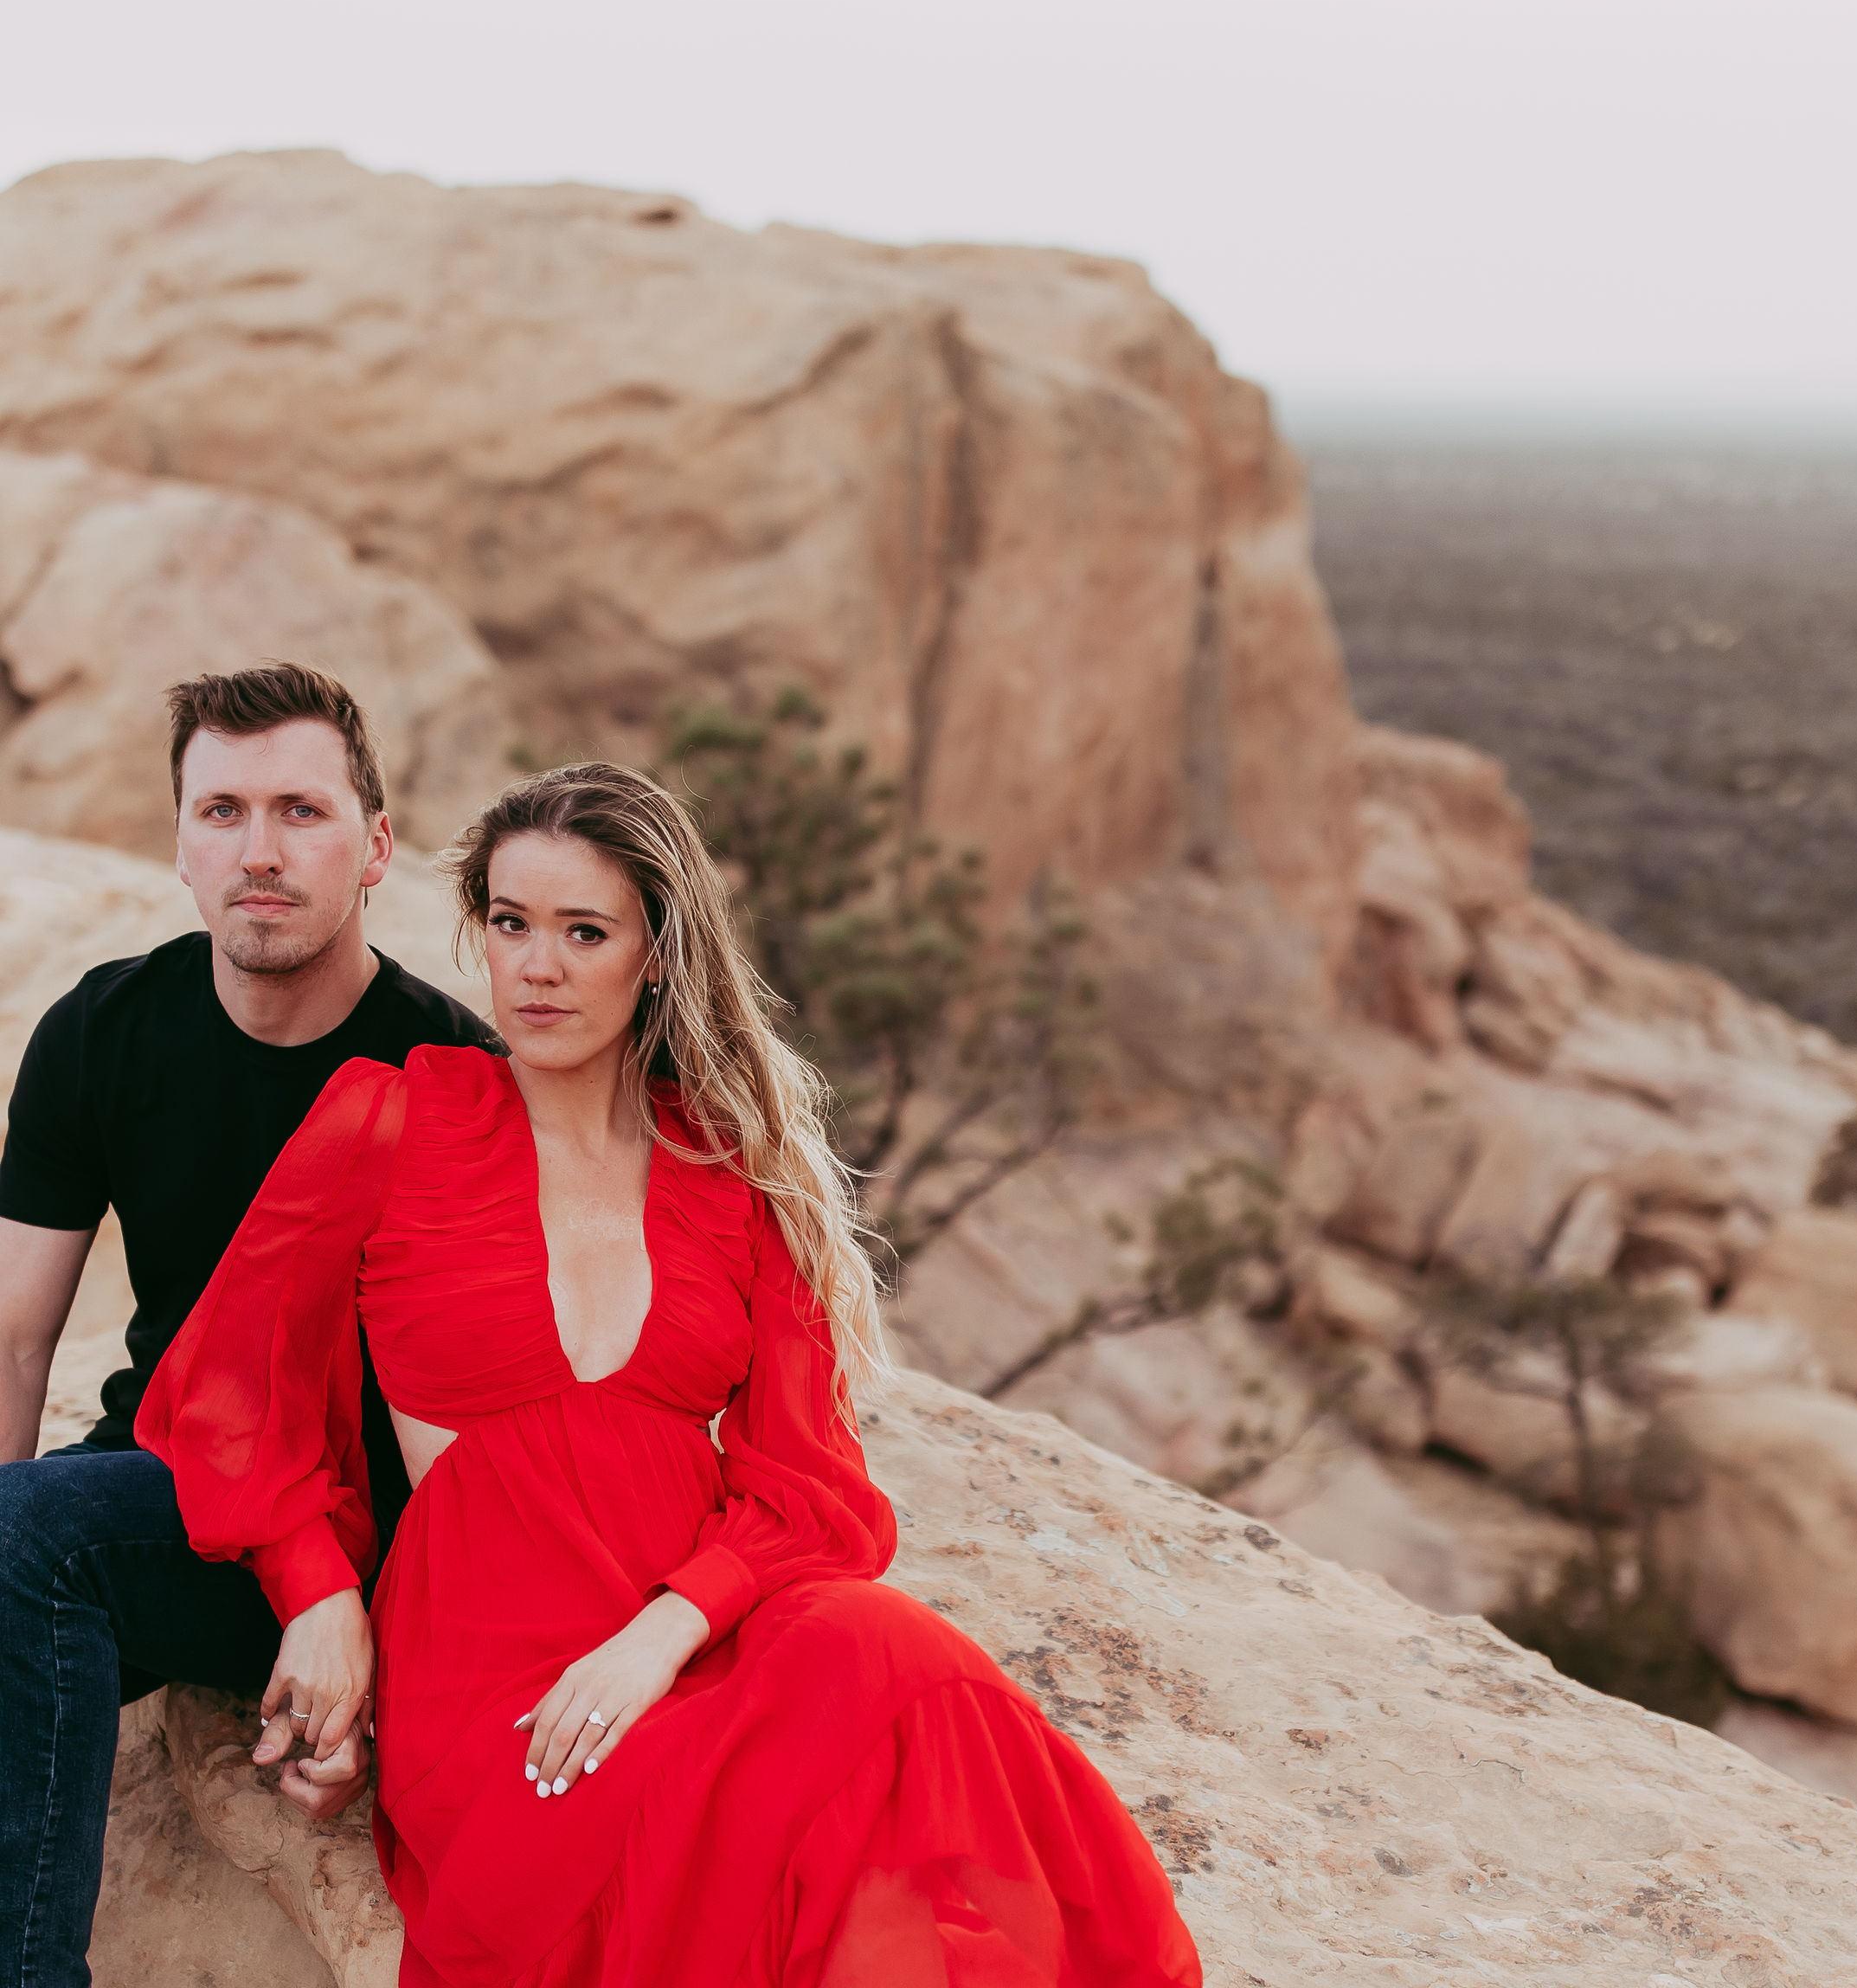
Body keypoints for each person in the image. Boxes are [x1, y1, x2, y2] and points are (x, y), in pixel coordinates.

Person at [138, 761, 1204, 1986]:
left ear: (655, 954)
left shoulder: (727, 1167)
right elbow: (230, 1388)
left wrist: (662, 1633)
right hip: (501, 1674)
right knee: (723, 1840)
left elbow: (811, 1488)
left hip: (692, 1628)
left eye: (584, 932)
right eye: (511, 923)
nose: (537, 967)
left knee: (893, 1659)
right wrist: (319, 1597)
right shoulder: (392, 1115)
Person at [0, 662, 496, 1988]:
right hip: (167, 1499)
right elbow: (13, 1339)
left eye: (300, 812)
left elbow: (484, 1423)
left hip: (359, 1550)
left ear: (376, 846)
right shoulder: (103, 1032)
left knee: (26, 1535)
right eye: (221, 812)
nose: (258, 853)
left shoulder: (450, 1079)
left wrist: (407, 1661)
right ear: (178, 842)